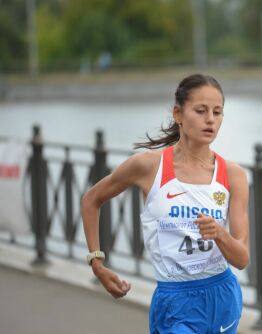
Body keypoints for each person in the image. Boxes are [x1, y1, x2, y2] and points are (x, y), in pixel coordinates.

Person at [82, 74, 250, 334]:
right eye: (201, 110)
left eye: (218, 112)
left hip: (222, 297)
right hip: (175, 301)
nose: (210, 120)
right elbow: (91, 200)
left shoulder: (233, 175)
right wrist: (97, 262)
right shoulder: (148, 166)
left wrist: (219, 234)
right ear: (178, 113)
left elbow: (242, 259)